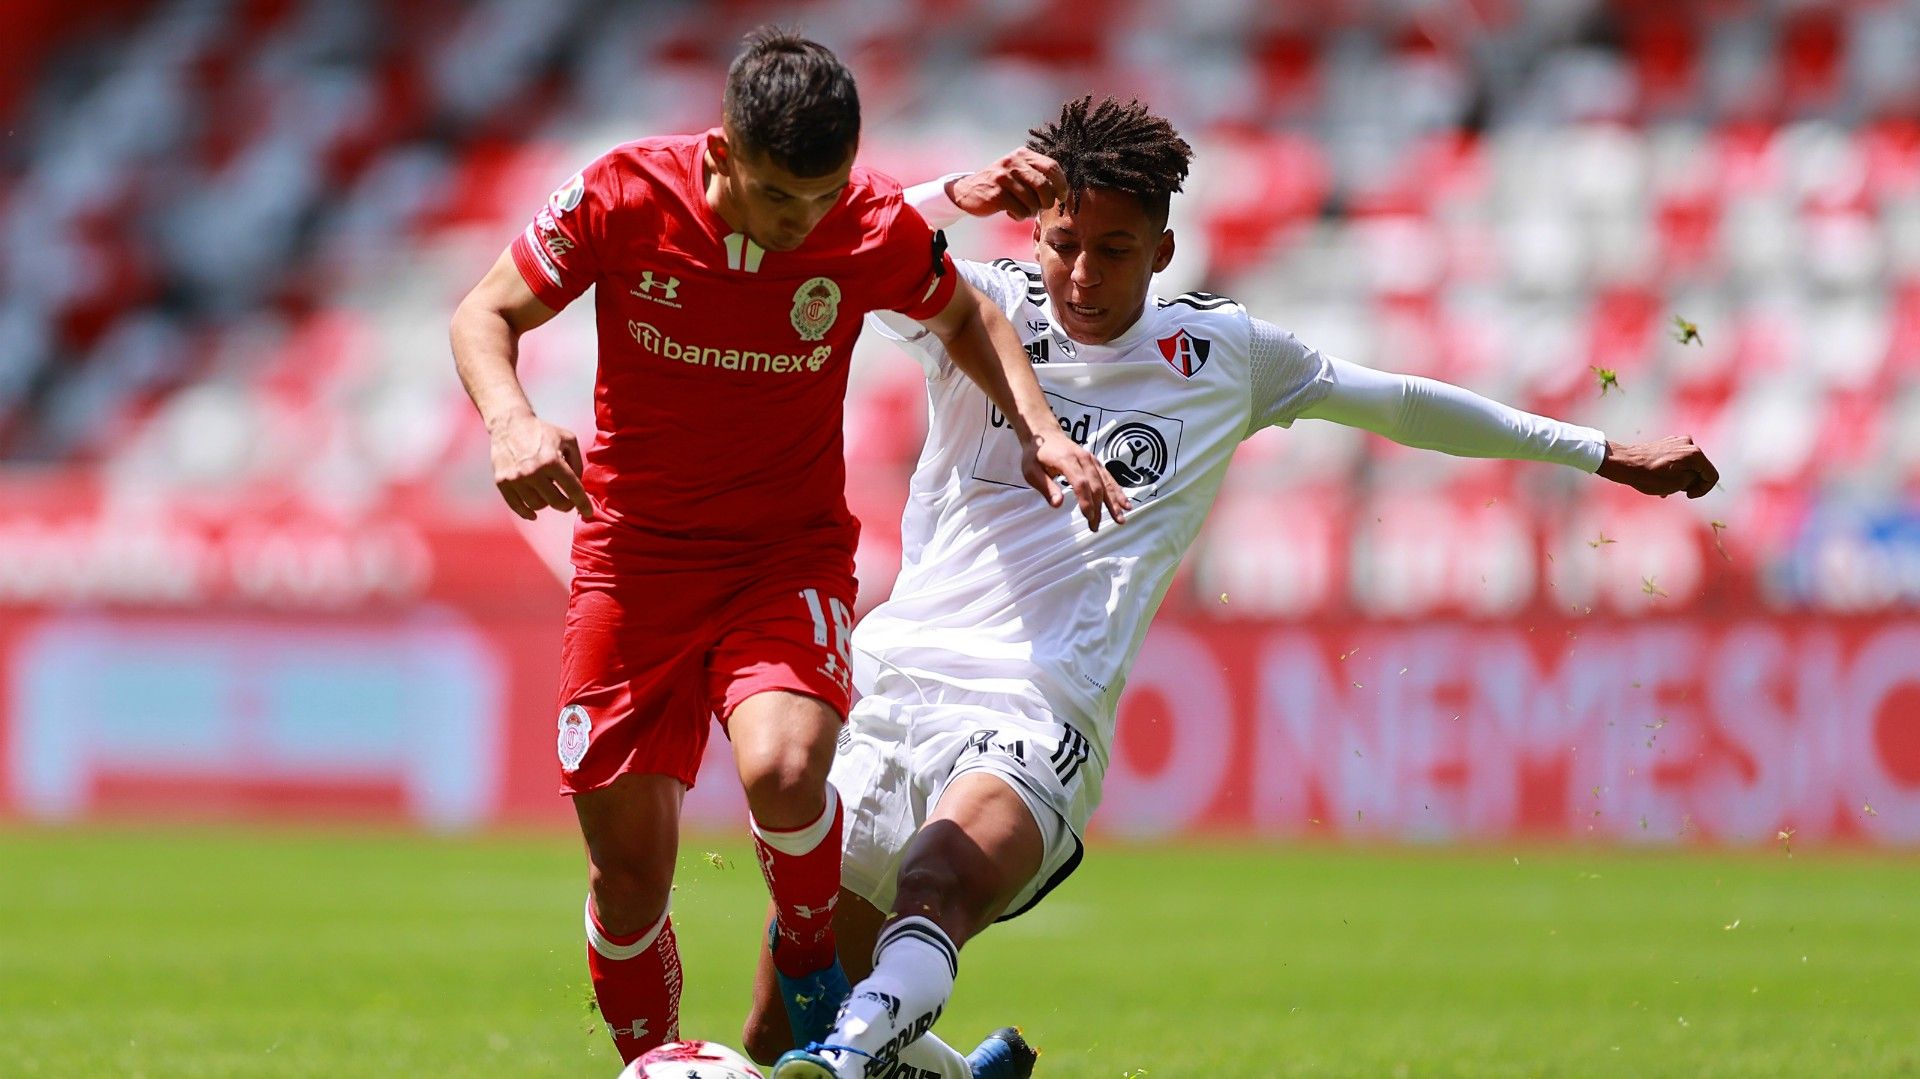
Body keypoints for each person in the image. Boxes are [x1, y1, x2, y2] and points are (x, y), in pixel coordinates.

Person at [747, 96, 1721, 1079]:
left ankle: (851, 1057)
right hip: (897, 682)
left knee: (940, 880)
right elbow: (823, 243)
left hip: (1040, 704)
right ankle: (935, 1068)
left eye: (1115, 250)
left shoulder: (1222, 356)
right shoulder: (974, 305)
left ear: (1164, 252)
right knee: (769, 1033)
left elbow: (1398, 403)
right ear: (1034, 234)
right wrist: (955, 193)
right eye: (1065, 244)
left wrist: (1599, 450)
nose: (1082, 274)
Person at [448, 31, 1127, 1067]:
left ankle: (811, 962)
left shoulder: (861, 222)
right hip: (633, 565)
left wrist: (1039, 431)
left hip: (784, 560)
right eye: (776, 197)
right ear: (722, 154)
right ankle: (652, 1060)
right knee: (627, 876)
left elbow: (968, 315)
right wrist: (510, 421)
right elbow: (485, 310)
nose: (799, 223)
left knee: (787, 765)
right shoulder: (623, 194)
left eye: (821, 197)